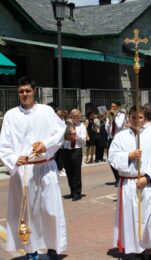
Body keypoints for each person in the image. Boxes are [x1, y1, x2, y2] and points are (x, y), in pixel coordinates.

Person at [0, 77, 67, 260]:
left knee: (50, 208)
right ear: (17, 92)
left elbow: (60, 132)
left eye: (27, 91)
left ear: (34, 91)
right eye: (21, 91)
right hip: (24, 170)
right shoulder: (11, 115)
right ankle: (31, 250)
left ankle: (53, 247)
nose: (24, 94)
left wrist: (46, 145)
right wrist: (14, 158)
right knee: (27, 212)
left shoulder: (46, 111)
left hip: (45, 167)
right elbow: (4, 144)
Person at [108, 106, 151, 258]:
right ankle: (136, 249)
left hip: (147, 184)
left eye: (139, 117)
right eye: (132, 117)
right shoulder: (121, 136)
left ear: (145, 118)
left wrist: (148, 178)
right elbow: (112, 157)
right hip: (128, 184)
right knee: (132, 219)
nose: (135, 120)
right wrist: (128, 155)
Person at [63, 109, 87, 201]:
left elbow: (83, 139)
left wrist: (76, 134)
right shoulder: (66, 125)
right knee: (69, 172)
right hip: (66, 150)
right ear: (72, 117)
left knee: (76, 172)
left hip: (76, 150)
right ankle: (72, 192)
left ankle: (77, 193)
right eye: (76, 117)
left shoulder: (81, 126)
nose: (78, 119)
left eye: (79, 117)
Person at [105, 102, 127, 187]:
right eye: (111, 106)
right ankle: (117, 177)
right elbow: (107, 129)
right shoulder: (110, 115)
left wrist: (114, 116)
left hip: (119, 139)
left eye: (114, 107)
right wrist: (109, 120)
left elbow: (119, 124)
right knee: (110, 159)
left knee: (120, 158)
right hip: (111, 138)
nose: (112, 108)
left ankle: (121, 177)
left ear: (118, 107)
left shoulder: (121, 115)